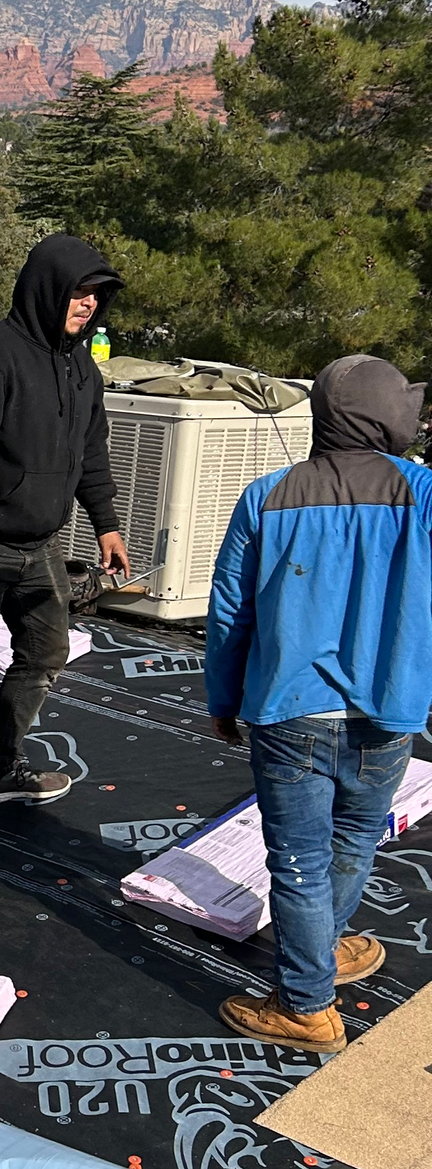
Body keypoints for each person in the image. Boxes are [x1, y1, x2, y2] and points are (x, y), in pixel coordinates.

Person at [204, 354, 432, 1056]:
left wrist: (223, 697)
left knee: (299, 861)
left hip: (289, 712)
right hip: (390, 713)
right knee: (353, 840)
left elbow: (229, 614)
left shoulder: (266, 497)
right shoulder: (421, 492)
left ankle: (306, 1003)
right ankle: (320, 955)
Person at [0, 234, 132, 852]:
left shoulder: (81, 366)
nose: (88, 304)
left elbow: (92, 452)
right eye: (78, 291)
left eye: (97, 294)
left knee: (45, 655)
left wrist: (107, 524)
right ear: (46, 288)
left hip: (42, 543)